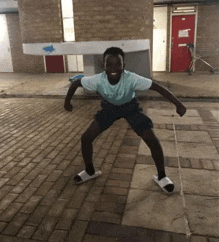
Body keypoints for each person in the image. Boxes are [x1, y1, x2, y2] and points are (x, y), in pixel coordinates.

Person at [64, 47, 186, 194]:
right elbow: (75, 83)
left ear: (124, 66)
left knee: (151, 139)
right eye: (109, 64)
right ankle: (89, 171)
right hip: (109, 109)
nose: (113, 68)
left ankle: (162, 176)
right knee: (86, 138)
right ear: (104, 66)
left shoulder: (131, 78)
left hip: (130, 108)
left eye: (118, 64)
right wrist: (67, 102)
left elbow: (156, 87)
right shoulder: (98, 80)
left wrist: (178, 104)